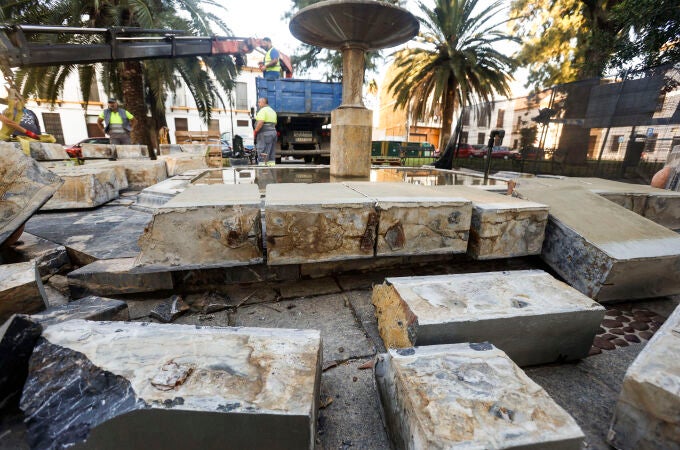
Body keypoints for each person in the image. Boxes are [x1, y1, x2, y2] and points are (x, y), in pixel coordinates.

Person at [254, 97, 277, 164]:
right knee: (271, 153)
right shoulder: (273, 111)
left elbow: (260, 122)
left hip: (264, 134)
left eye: (259, 102)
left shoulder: (263, 111)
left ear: (264, 102)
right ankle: (271, 171)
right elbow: (275, 123)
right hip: (273, 133)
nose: (258, 104)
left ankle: (262, 171)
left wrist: (255, 131)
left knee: (262, 151)